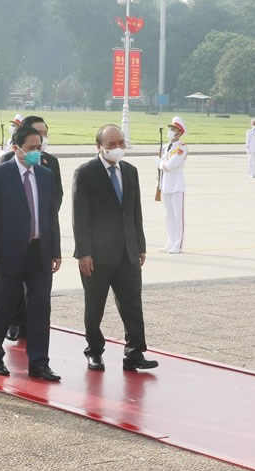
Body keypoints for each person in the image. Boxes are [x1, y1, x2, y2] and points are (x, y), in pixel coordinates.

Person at [73, 124, 158, 372]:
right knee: (95, 306)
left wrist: (140, 245)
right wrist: (84, 252)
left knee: (132, 304)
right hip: (97, 256)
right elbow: (80, 216)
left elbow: (135, 211)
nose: (117, 148)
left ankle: (135, 353)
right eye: (111, 144)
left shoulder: (130, 171)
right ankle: (94, 351)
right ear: (98, 146)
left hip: (128, 253)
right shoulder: (85, 173)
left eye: (121, 143)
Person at [0, 125, 61, 381]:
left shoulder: (45, 175)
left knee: (40, 309)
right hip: (8, 254)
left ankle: (39, 362)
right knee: (3, 306)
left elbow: (51, 216)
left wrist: (55, 251)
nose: (36, 152)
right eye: (31, 148)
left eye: (39, 147)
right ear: (16, 148)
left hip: (39, 252)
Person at [0, 114, 63, 341]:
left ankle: (33, 334)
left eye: (45, 134)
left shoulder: (50, 162)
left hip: (40, 235)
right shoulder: (7, 160)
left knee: (39, 293)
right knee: (14, 289)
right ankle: (15, 322)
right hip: (16, 237)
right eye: (38, 133)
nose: (42, 138)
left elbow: (57, 195)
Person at [158, 116, 187, 254]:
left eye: (173, 129)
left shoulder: (182, 147)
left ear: (179, 133)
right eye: (170, 129)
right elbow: (161, 164)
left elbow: (172, 164)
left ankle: (178, 244)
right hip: (165, 184)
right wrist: (163, 165)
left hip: (176, 184)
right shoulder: (165, 147)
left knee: (177, 215)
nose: (170, 131)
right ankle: (170, 241)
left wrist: (162, 164)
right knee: (168, 215)